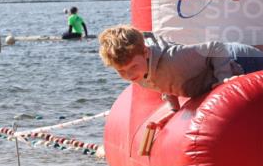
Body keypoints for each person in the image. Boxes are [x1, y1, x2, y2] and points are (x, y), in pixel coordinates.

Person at [98, 24, 263, 111]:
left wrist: (223, 80)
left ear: (146, 53)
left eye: (133, 66)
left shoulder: (173, 58)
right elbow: (164, 80)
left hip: (242, 60)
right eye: (121, 71)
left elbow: (216, 48)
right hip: (229, 63)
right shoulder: (140, 70)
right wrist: (173, 108)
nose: (129, 74)